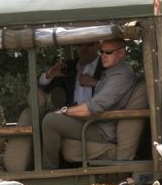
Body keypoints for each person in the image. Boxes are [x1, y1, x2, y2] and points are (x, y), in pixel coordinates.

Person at [41, 38, 135, 169]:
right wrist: (50, 74)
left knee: (50, 121)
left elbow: (94, 107)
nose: (103, 55)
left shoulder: (121, 73)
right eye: (101, 52)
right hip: (95, 122)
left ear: (121, 53)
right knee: (47, 115)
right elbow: (42, 86)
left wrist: (64, 111)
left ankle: (49, 172)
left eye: (108, 52)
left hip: (101, 128)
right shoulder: (112, 72)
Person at [38, 41, 104, 107]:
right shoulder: (68, 66)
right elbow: (42, 89)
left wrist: (95, 83)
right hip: (71, 114)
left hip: (101, 114)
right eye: (80, 44)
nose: (84, 48)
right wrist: (49, 75)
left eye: (90, 44)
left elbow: (113, 92)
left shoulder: (107, 65)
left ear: (99, 45)